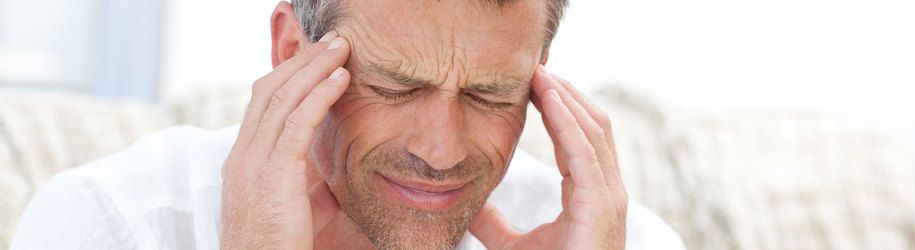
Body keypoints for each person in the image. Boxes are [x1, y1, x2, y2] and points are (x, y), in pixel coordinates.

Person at [12, 0, 685, 249]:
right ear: (289, 56)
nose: (441, 150)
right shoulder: (109, 225)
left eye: (490, 94)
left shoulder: (615, 239)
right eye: (394, 86)